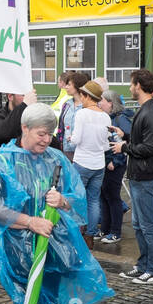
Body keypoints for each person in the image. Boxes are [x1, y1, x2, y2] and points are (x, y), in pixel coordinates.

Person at [0, 103, 113, 304]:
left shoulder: (56, 159)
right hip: (18, 245)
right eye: (41, 134)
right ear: (25, 129)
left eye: (51, 134)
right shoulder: (3, 162)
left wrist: (62, 201)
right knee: (29, 302)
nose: (47, 140)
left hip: (53, 244)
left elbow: (76, 198)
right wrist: (29, 222)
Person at [117, 69, 153, 283]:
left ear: (138, 85)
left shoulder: (151, 112)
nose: (129, 88)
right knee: (138, 224)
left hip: (146, 177)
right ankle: (143, 264)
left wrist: (124, 147)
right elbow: (142, 141)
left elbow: (149, 147)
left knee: (148, 225)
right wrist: (125, 136)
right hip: (139, 176)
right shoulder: (145, 110)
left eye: (131, 84)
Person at [67, 79, 110, 240]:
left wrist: (70, 138)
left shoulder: (81, 114)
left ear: (86, 96)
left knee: (77, 199)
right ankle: (90, 235)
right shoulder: (105, 117)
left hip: (82, 162)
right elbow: (106, 144)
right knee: (93, 200)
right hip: (99, 164)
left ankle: (77, 234)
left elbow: (77, 139)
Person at [99, 91, 131, 244]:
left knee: (113, 197)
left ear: (111, 103)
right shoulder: (107, 118)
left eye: (102, 100)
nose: (100, 103)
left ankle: (115, 232)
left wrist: (116, 161)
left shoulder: (121, 119)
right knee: (104, 196)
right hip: (105, 162)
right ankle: (105, 229)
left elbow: (124, 141)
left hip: (114, 164)